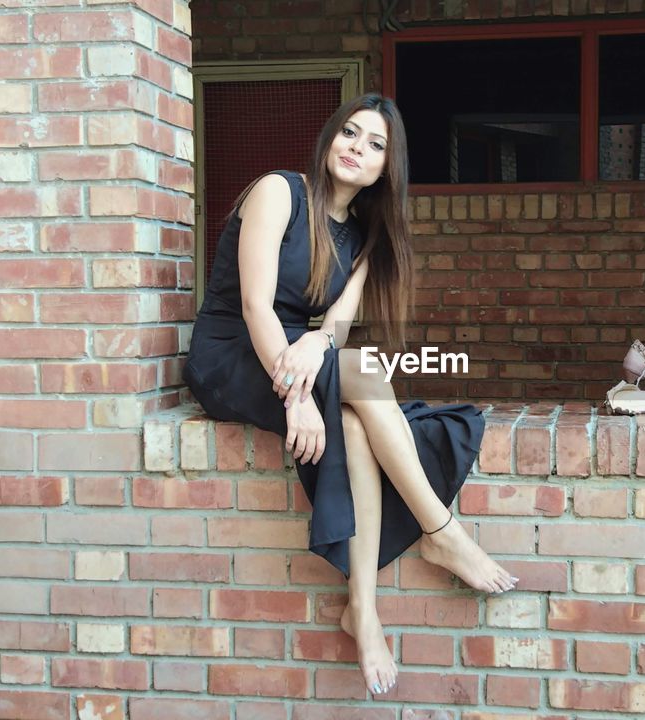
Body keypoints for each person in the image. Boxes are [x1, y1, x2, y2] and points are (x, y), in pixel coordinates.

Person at [184, 93, 518, 698]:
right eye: (349, 133)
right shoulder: (278, 192)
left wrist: (316, 349)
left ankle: (361, 611)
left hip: (297, 355)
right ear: (329, 138)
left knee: (360, 418)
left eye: (375, 145)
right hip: (233, 352)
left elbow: (335, 325)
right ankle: (439, 530)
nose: (356, 149)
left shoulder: (367, 236)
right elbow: (257, 305)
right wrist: (296, 398)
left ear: (387, 167)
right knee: (364, 374)